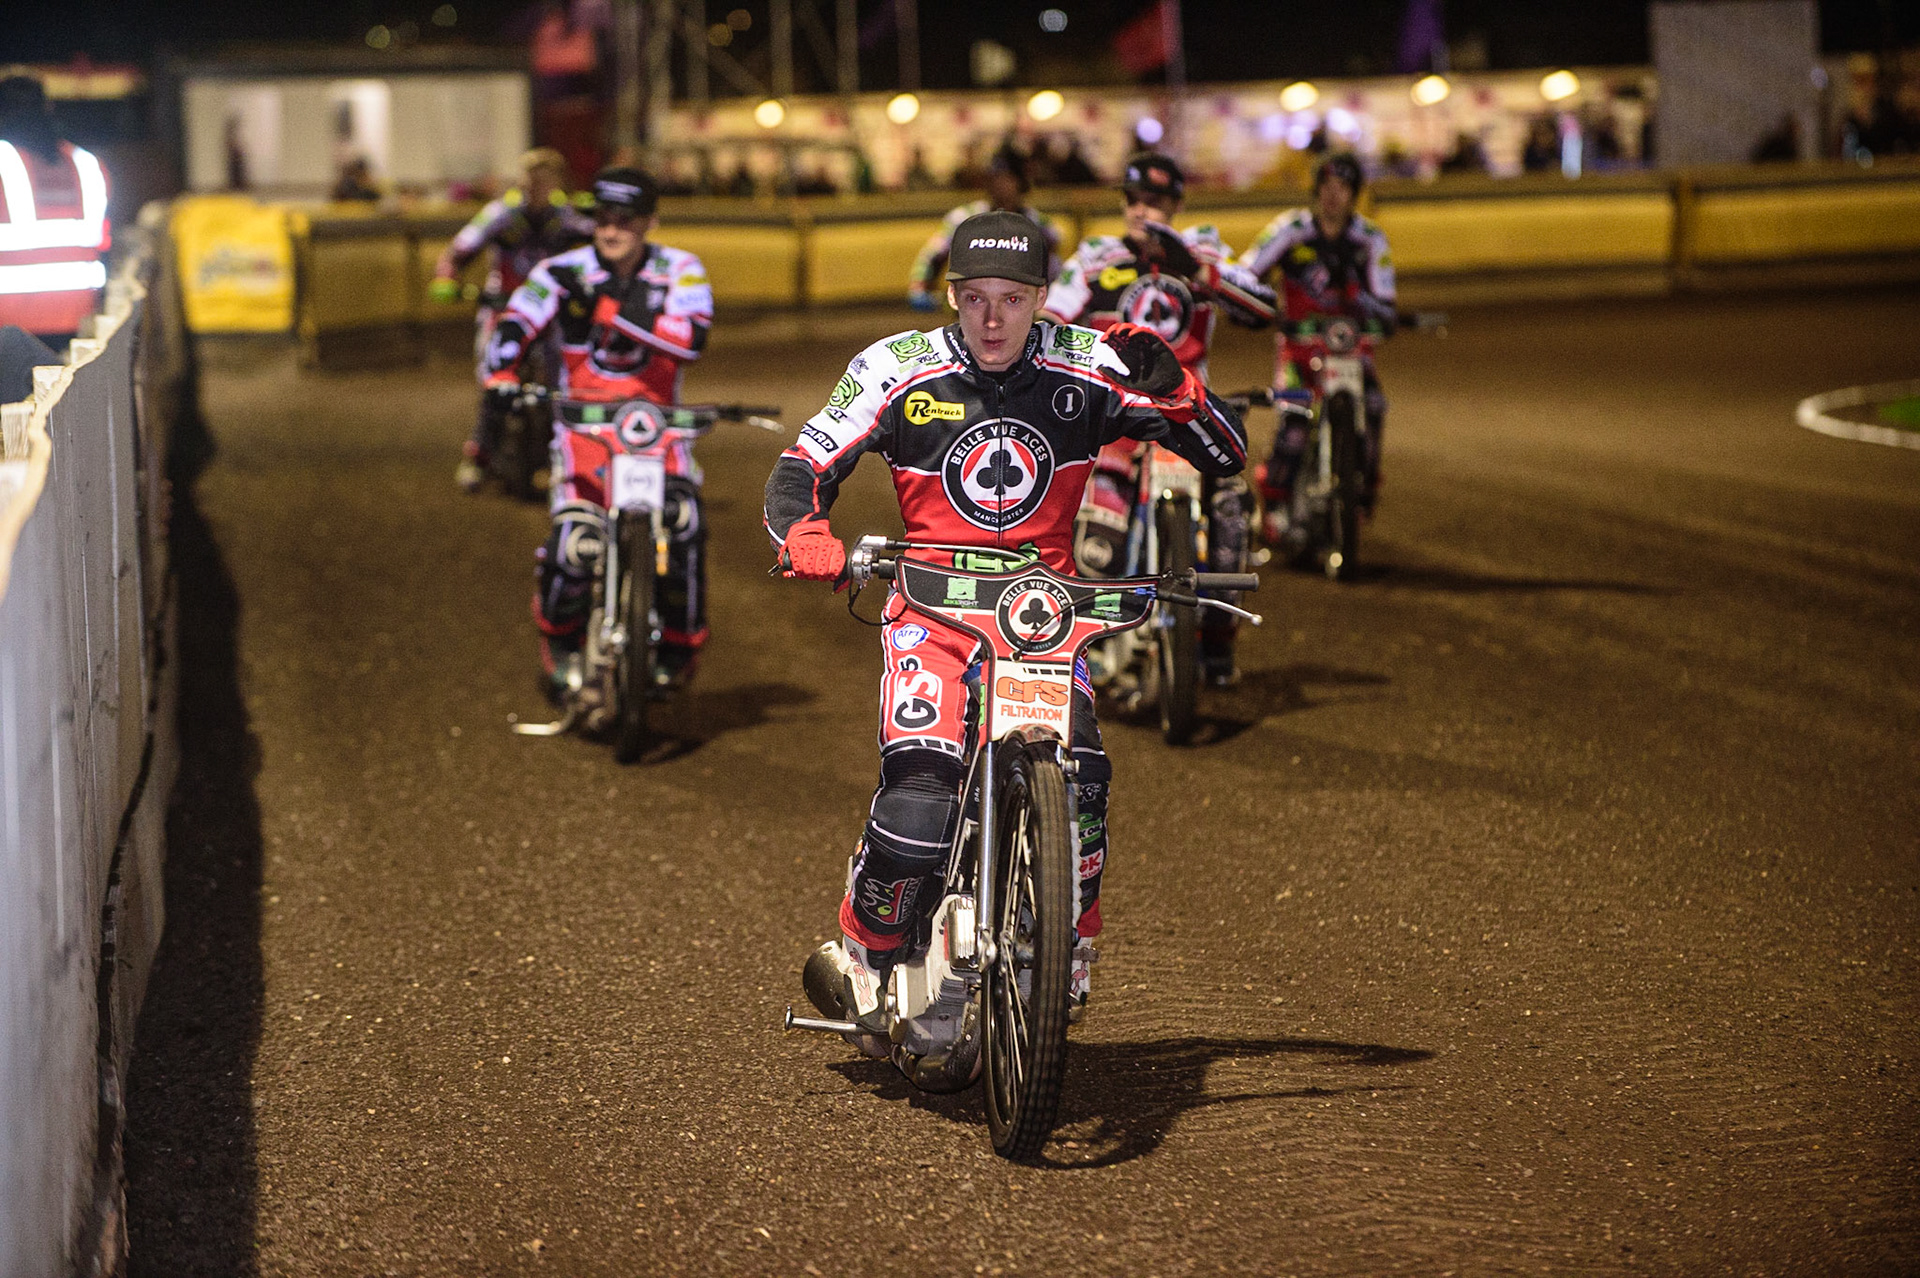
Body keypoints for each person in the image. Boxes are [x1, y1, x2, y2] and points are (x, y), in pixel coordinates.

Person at [765, 211, 1249, 1030]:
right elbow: (805, 462)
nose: (994, 319)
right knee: (920, 800)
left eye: (1014, 299)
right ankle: (865, 946)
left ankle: (1072, 945)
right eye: (976, 298)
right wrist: (805, 531)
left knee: (1085, 783)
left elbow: (1225, 455)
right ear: (952, 296)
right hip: (933, 613)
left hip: (1043, 620)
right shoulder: (895, 366)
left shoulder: (1091, 363)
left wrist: (1178, 394)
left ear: (1042, 299)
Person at [1041, 151, 1274, 684]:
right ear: (1124, 204)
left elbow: (1263, 308)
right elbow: (1052, 314)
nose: (1146, 211)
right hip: (1116, 420)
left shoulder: (1206, 249)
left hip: (1191, 416)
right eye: (1136, 200)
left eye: (1159, 202)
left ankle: (1216, 646)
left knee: (1232, 518)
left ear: (1178, 206)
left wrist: (1201, 273)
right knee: (1096, 537)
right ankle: (1093, 648)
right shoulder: (1097, 256)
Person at [481, 167, 715, 692]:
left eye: (625, 222)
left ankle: (680, 644)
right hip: (583, 429)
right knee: (574, 543)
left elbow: (690, 338)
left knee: (684, 526)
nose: (609, 232)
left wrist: (608, 307)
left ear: (649, 222)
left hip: (658, 431)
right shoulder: (561, 269)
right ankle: (561, 640)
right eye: (601, 219)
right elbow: (518, 318)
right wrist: (500, 369)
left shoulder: (681, 269)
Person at [1238, 152, 1397, 544]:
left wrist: (1374, 309)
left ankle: (1363, 492)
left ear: (1355, 194)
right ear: (1314, 191)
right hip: (1298, 351)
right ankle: (1274, 504)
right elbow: (1246, 274)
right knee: (1293, 422)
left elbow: (1386, 298)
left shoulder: (1370, 239)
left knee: (1374, 408)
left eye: (1342, 188)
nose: (1332, 196)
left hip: (1352, 352)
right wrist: (1257, 305)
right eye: (1325, 187)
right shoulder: (1290, 229)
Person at [437, 147, 594, 492]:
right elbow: (459, 251)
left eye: (545, 178)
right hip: (504, 308)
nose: (537, 185)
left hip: (549, 313)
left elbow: (601, 249)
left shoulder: (567, 218)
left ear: (557, 182)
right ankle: (477, 456)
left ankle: (562, 457)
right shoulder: (501, 215)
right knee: (494, 379)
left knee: (562, 380)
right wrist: (447, 277)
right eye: (531, 178)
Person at [0, 72, 111, 340]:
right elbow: (105, 241)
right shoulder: (86, 163)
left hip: (10, 326)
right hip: (80, 318)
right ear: (48, 108)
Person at [905, 157, 1059, 312]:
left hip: (1020, 307)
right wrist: (919, 286)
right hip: (972, 303)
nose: (999, 185)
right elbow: (932, 255)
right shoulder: (964, 217)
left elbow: (1052, 266)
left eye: (1006, 179)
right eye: (994, 179)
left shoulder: (1038, 224)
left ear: (1020, 183)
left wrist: (1052, 299)